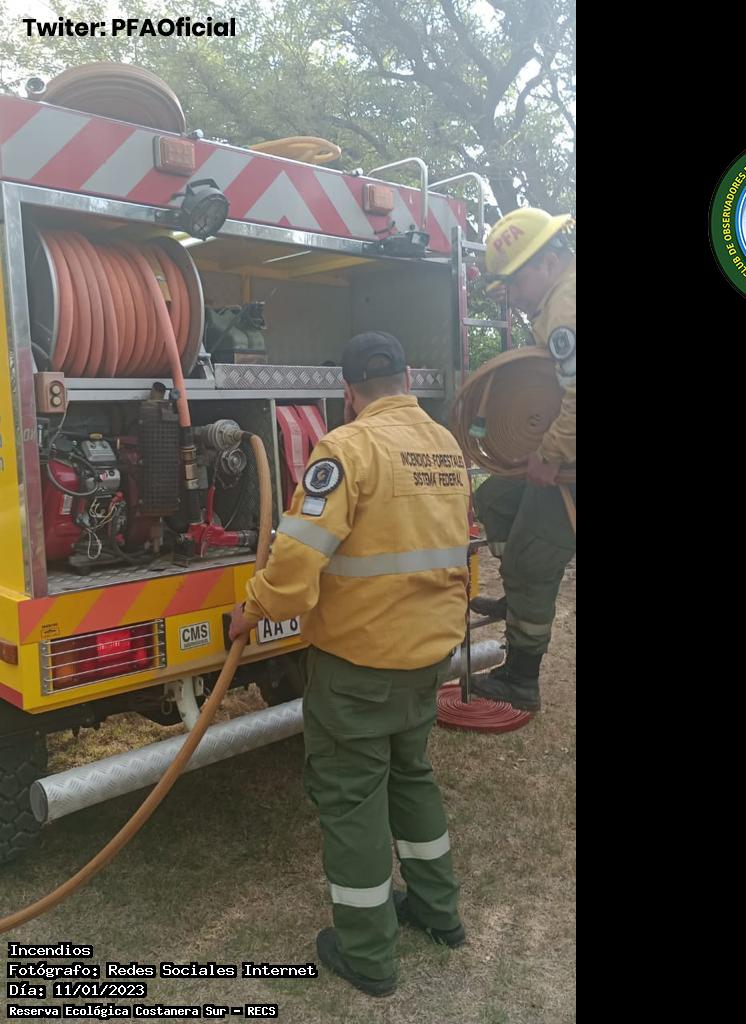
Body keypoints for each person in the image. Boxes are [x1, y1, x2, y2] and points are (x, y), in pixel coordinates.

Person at [229, 331, 471, 997]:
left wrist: (254, 608)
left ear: (348, 391)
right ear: (407, 379)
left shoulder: (346, 449)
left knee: (352, 796)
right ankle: (439, 911)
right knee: (411, 774)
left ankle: (367, 952)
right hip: (429, 653)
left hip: (361, 661)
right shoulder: (444, 446)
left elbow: (297, 559)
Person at [470, 208, 576, 712]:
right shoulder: (558, 298)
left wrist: (550, 454)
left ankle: (520, 679)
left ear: (549, 262)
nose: (511, 295)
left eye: (515, 281)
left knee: (531, 560)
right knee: (495, 496)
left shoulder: (565, 309)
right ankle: (518, 591)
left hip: (569, 460)